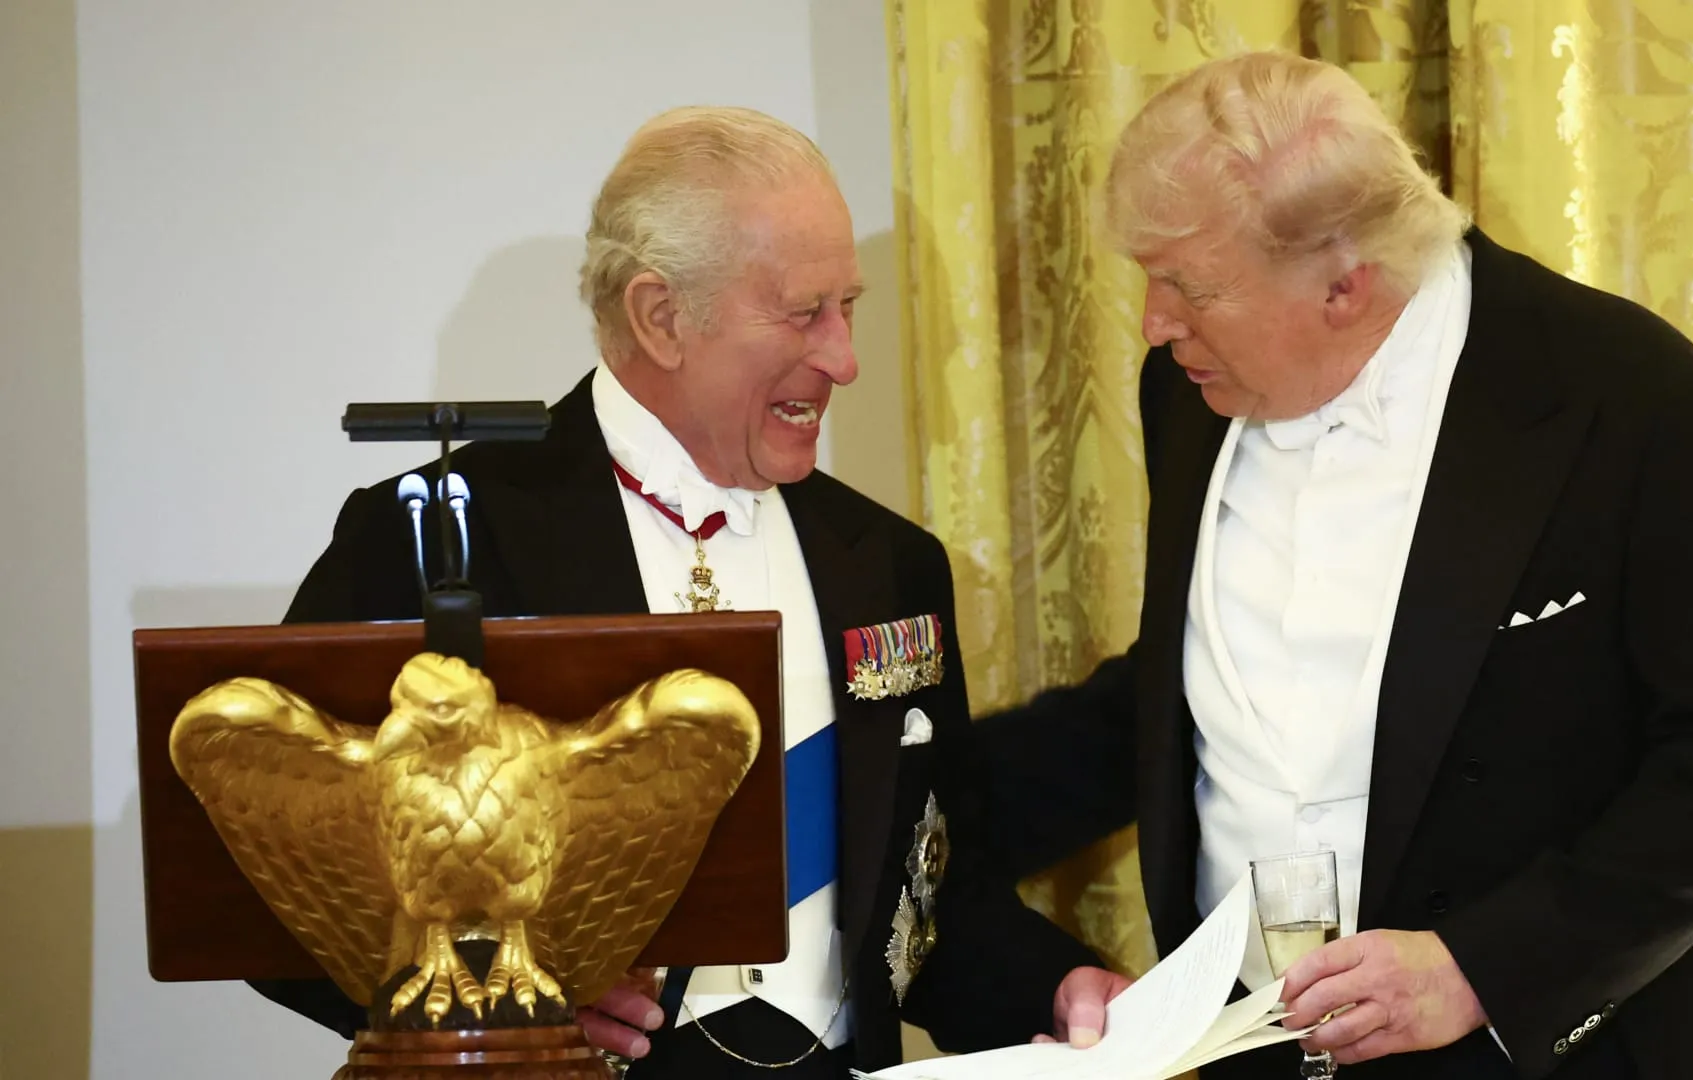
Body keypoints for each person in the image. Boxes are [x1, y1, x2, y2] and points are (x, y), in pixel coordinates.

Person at [983, 51, 1693, 1080]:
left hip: (1570, 1050)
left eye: (1188, 287)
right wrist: (902, 799)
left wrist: (1480, 970)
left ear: (1346, 282)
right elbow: (1193, 688)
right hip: (1265, 1051)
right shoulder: (1188, 391)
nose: (1155, 323)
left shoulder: (1639, 404)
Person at [251, 105, 1100, 1079]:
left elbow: (931, 897)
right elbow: (268, 872)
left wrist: (1055, 987)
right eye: (804, 313)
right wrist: (488, 998)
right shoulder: (444, 538)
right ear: (661, 317)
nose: (844, 358)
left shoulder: (888, 563)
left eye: (848, 307)